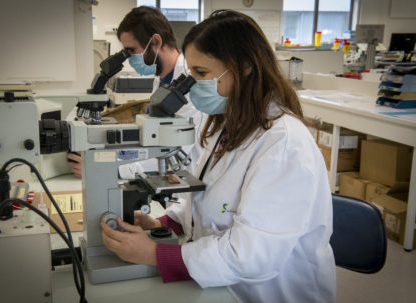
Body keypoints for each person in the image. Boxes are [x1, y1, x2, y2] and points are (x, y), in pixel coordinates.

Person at [100, 9, 336, 303]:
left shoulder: (284, 144)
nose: (193, 85)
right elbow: (207, 200)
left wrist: (154, 253)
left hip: (268, 293)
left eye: (201, 74)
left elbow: (251, 256)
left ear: (245, 67)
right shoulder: (226, 125)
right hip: (219, 285)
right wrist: (164, 226)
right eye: (191, 74)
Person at [67, 6, 205, 179]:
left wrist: (110, 168)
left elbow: (174, 152)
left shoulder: (191, 86)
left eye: (131, 50)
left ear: (155, 42)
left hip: (182, 183)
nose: (130, 58)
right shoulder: (161, 79)